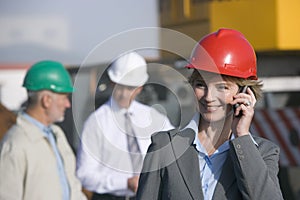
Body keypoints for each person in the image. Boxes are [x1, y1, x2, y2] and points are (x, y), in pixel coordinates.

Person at [136, 28, 284, 200]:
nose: (208, 97)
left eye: (222, 87)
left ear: (246, 92)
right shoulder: (164, 146)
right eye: (201, 85)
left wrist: (241, 136)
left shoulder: (264, 153)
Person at [76, 51, 174, 200]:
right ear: (111, 83)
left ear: (140, 87)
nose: (123, 94)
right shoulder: (96, 122)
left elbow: (174, 155)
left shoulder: (156, 119)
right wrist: (124, 183)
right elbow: (84, 174)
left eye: (130, 88)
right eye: (119, 87)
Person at [0, 60, 87, 200]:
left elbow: (73, 188)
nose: (68, 104)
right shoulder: (15, 144)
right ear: (46, 100)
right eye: (64, 97)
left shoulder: (57, 136)